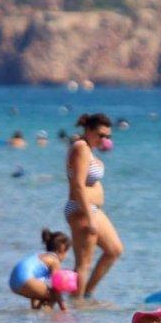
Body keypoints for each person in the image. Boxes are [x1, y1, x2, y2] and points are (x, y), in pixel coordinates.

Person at [65, 113, 123, 300]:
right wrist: (90, 217)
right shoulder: (81, 148)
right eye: (100, 135)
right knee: (83, 263)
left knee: (114, 250)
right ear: (88, 130)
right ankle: (76, 305)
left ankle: (85, 294)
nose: (104, 139)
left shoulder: (89, 148)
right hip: (82, 210)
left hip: (92, 210)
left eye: (107, 136)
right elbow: (78, 186)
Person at [8, 229, 70, 310]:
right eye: (67, 252)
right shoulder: (54, 260)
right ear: (62, 249)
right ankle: (45, 317)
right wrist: (64, 308)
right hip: (25, 280)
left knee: (43, 294)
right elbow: (56, 286)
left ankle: (38, 314)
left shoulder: (40, 256)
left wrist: (34, 305)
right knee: (55, 296)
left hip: (13, 282)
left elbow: (35, 284)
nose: (67, 256)